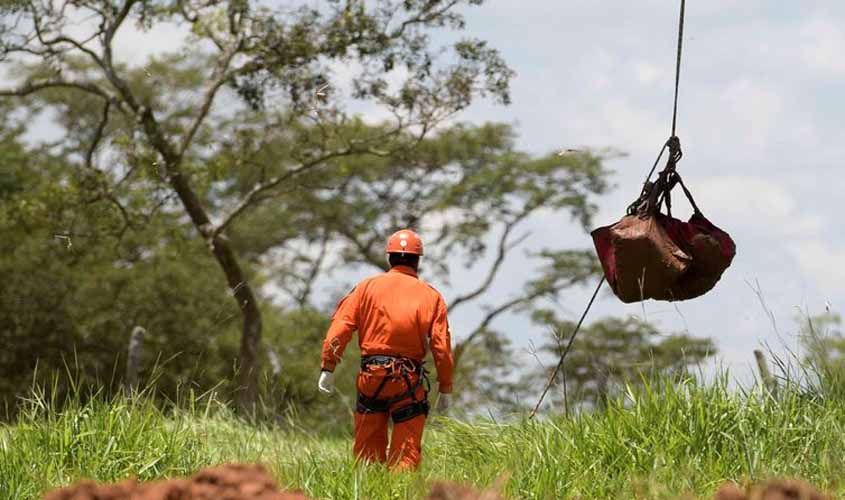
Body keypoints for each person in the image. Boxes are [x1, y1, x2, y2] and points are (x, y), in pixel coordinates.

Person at [317, 229, 454, 470]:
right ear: (418, 260)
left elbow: (339, 329)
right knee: (406, 457)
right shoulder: (432, 296)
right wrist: (445, 388)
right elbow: (441, 347)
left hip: (371, 377)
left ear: (389, 258)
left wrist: (328, 366)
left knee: (366, 458)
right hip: (407, 382)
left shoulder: (365, 288)